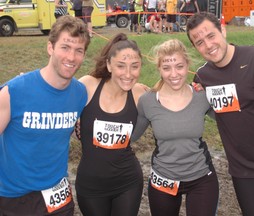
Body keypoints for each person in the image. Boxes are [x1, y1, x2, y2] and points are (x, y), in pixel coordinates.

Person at [186, 12, 254, 216]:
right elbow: (219, 111)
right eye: (199, 42)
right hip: (243, 173)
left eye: (211, 36)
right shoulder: (203, 76)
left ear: (223, 30)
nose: (208, 45)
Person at [0, 15, 90, 215]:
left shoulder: (80, 93)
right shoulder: (14, 91)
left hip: (57, 195)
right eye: (65, 47)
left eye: (78, 51)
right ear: (50, 48)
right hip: (14, 197)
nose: (71, 57)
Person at [131, 39, 219, 216]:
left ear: (188, 65)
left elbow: (233, 119)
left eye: (179, 66)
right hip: (163, 179)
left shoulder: (202, 96)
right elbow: (129, 137)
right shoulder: (148, 101)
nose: (174, 74)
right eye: (166, 68)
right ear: (159, 69)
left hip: (201, 177)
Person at [75, 33, 147, 216]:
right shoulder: (88, 86)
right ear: (109, 65)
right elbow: (56, 100)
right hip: (90, 186)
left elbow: (171, 100)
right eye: (121, 66)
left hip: (128, 182)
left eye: (135, 67)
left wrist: (198, 88)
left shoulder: (141, 94)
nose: (128, 74)